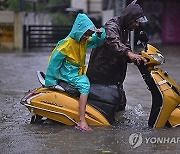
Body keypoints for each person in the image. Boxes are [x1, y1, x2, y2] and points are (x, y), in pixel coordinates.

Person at [45, 13, 106, 131]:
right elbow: (54, 62)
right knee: (85, 85)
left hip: (77, 72)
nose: (86, 37)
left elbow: (95, 42)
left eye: (88, 35)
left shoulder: (83, 41)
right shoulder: (67, 43)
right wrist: (51, 80)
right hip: (68, 73)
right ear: (79, 31)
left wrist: (100, 34)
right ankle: (82, 119)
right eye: (85, 35)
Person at [87, 2, 147, 111]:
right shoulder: (111, 26)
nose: (138, 25)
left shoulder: (125, 30)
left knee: (120, 107)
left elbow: (126, 48)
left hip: (115, 80)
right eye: (136, 21)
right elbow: (115, 43)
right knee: (109, 111)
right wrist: (130, 54)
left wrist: (138, 57)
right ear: (130, 18)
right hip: (102, 79)